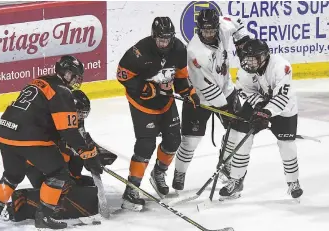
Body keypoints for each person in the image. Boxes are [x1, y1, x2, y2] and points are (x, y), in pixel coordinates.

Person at [0, 55, 103, 229]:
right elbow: (69, 131)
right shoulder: (62, 91)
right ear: (65, 73)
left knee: (12, 175)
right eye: (74, 76)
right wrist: (88, 154)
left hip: (4, 132)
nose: (75, 80)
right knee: (58, 172)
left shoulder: (40, 81)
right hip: (27, 136)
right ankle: (44, 216)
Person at [117, 16, 200, 210]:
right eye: (161, 39)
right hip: (142, 105)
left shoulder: (179, 49)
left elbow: (179, 76)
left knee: (173, 141)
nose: (164, 43)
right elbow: (122, 75)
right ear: (154, 37)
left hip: (165, 101)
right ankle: (131, 190)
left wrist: (188, 92)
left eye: (167, 39)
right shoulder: (139, 52)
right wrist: (145, 88)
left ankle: (159, 173)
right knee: (146, 145)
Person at [172, 9, 252, 192]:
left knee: (235, 132)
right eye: (205, 30)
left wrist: (242, 42)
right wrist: (226, 110)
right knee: (191, 141)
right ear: (199, 29)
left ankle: (226, 166)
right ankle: (180, 172)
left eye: (212, 30)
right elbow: (207, 88)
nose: (209, 34)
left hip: (226, 89)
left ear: (216, 27)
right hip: (199, 97)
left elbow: (237, 23)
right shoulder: (195, 52)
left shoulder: (223, 26)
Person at [219, 38, 303, 200]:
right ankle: (235, 180)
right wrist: (259, 107)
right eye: (246, 58)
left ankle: (293, 182)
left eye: (252, 59)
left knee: (287, 146)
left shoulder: (281, 67)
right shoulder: (245, 71)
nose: (248, 63)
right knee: (242, 136)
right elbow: (246, 92)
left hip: (284, 108)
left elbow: (281, 97)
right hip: (260, 104)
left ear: (264, 57)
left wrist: (266, 112)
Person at [25, 90, 117, 189]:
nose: (81, 117)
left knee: (77, 153)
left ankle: (74, 177)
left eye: (84, 114)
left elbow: (80, 140)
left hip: (50, 157)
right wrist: (88, 155)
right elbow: (64, 146)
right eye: (79, 113)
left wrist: (94, 154)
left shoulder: (73, 118)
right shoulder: (52, 119)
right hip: (33, 162)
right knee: (69, 154)